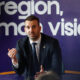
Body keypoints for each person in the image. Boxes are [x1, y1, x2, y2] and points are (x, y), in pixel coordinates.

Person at [8, 15, 63, 80]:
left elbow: (57, 67)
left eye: (34, 27)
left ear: (39, 28)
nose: (31, 30)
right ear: (25, 29)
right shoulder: (21, 44)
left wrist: (45, 73)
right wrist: (15, 60)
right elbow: (20, 71)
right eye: (28, 27)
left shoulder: (52, 43)